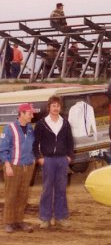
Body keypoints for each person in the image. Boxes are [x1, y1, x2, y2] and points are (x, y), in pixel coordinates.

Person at [33, 96, 74, 229]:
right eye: (53, 106)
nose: (56, 108)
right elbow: (35, 143)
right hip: (48, 160)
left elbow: (70, 142)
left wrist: (69, 156)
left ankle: (60, 217)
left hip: (62, 160)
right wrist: (39, 158)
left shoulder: (65, 123)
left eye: (58, 106)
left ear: (60, 108)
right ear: (49, 107)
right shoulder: (41, 124)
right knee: (47, 189)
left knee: (61, 189)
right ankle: (45, 218)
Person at [0, 103, 35, 233]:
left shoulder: (31, 129)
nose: (32, 115)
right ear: (22, 113)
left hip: (28, 166)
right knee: (11, 194)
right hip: (13, 166)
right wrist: (7, 165)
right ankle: (9, 222)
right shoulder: (10, 128)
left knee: (23, 194)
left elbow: (33, 146)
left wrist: (33, 160)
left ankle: (19, 220)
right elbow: (3, 148)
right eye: (30, 113)